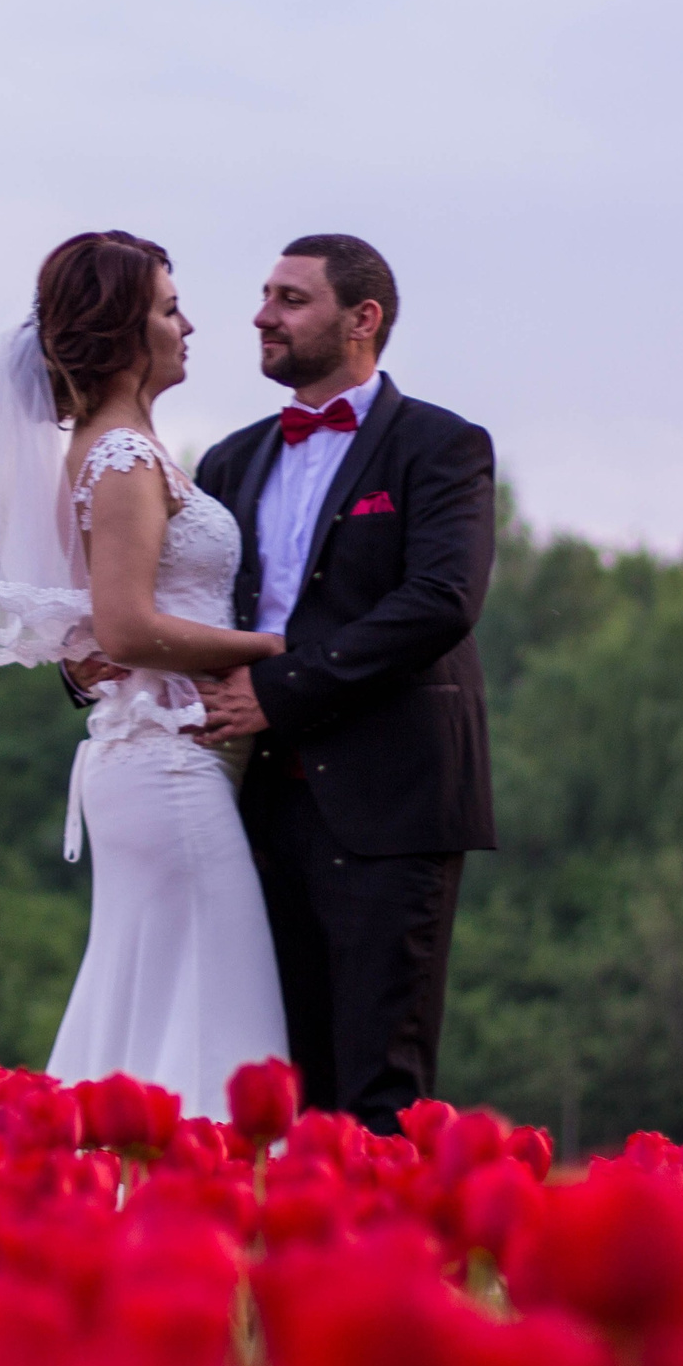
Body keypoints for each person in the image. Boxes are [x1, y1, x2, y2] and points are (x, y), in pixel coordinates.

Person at [0, 231, 288, 1121]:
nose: (191, 325)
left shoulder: (121, 447)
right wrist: (279, 653)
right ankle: (205, 1201)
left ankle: (108, 1191)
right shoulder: (123, 458)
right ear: (127, 331)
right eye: (171, 309)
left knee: (151, 998)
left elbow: (98, 626)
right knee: (220, 1005)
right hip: (167, 767)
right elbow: (128, 624)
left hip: (160, 759)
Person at [187, 235, 496, 1136]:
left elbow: (440, 602)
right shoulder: (230, 461)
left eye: (291, 298)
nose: (261, 314)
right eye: (265, 294)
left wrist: (281, 690)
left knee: (377, 1087)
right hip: (254, 803)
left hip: (391, 801)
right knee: (277, 1081)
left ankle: (389, 1274)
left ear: (363, 320)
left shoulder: (442, 447)